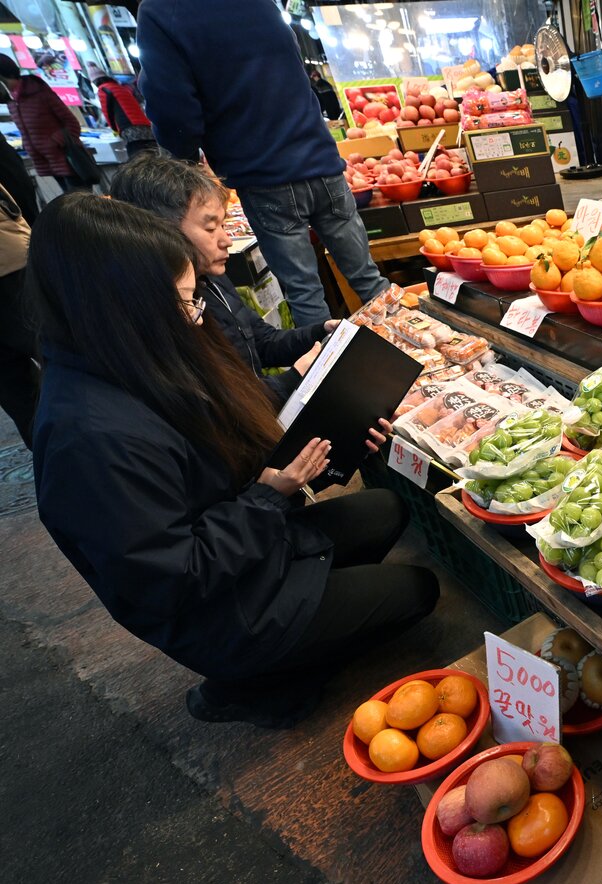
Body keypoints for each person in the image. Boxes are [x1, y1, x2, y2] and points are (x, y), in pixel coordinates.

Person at [29, 194, 440, 728]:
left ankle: (303, 630)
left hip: (254, 554)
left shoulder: (132, 360)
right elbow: (171, 579)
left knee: (385, 508)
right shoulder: (86, 440)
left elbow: (219, 422)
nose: (196, 316)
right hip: (224, 609)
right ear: (123, 308)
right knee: (418, 592)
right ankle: (259, 684)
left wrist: (320, 396)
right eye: (182, 304)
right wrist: (271, 495)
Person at [136, 0, 390, 328]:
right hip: (321, 161)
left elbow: (172, 106)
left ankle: (331, 372)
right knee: (370, 280)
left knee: (305, 294)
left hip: (264, 174)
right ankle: (419, 357)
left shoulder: (161, 10)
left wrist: (184, 161)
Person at [109, 152, 331, 406]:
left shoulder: (213, 280)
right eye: (211, 228)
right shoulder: (166, 313)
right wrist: (293, 379)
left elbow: (262, 342)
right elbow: (218, 405)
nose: (226, 240)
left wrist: (320, 332)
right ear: (161, 233)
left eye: (223, 225)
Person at [0, 54, 86, 192]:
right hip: (47, 163)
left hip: (68, 160)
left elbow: (72, 124)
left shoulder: (39, 92)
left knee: (82, 204)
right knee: (70, 203)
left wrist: (54, 142)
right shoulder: (12, 101)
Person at [0, 182, 36, 446]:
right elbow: (18, 187)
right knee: (64, 354)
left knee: (12, 384)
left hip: (10, 259)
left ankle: (48, 451)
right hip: (10, 264)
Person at [88, 63, 158, 156]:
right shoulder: (119, 87)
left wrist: (114, 130)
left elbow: (107, 112)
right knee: (153, 152)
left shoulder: (103, 89)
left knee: (137, 157)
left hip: (129, 126)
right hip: (145, 124)